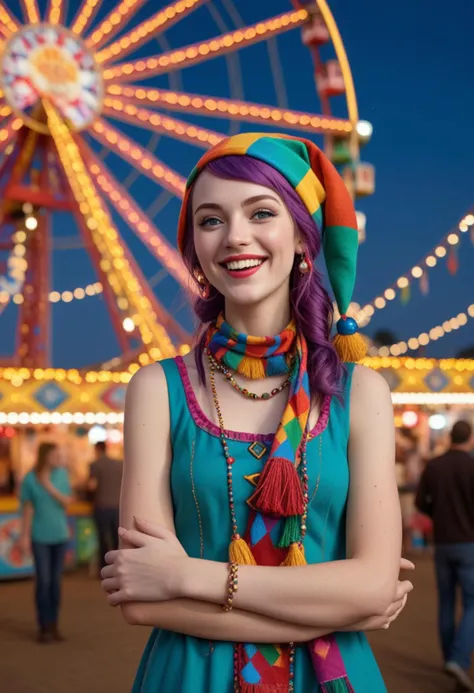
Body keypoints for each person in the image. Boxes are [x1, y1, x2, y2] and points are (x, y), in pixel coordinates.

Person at [101, 134, 414, 692]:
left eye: (262, 212)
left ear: (302, 236)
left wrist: (185, 575)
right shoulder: (156, 389)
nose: (235, 237)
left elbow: (370, 586)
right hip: (191, 677)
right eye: (211, 220)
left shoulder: (360, 392)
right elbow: (142, 604)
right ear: (194, 245)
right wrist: (343, 609)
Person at [416, 419, 474, 690]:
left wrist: (438, 516)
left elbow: (420, 501)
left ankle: (450, 657)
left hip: (442, 542)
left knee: (447, 603)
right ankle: (459, 659)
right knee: (473, 603)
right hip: (469, 544)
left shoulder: (435, 465)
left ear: (451, 436)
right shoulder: (472, 466)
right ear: (470, 438)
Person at [19, 442, 72, 643]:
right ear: (44, 456)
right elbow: (27, 509)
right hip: (39, 536)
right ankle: (43, 626)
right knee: (44, 581)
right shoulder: (30, 480)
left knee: (56, 583)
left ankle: (54, 624)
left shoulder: (61, 475)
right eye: (55, 455)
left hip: (60, 535)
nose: (58, 458)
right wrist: (24, 536)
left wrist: (49, 486)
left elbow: (67, 502)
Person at [87, 441, 122, 571]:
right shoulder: (119, 464)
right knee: (116, 538)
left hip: (102, 506)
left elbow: (92, 485)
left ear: (97, 450)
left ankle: (104, 568)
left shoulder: (95, 465)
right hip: (117, 506)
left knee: (102, 538)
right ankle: (119, 566)